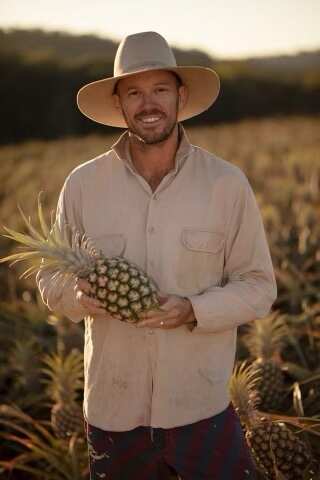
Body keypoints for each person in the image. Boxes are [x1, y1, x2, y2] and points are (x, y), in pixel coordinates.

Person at [36, 31, 277, 480]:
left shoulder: (226, 184)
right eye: (135, 93)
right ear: (120, 104)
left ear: (180, 96)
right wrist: (79, 293)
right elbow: (49, 281)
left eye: (160, 90)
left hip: (202, 409)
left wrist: (192, 309)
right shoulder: (83, 185)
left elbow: (260, 287)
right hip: (114, 416)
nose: (149, 104)